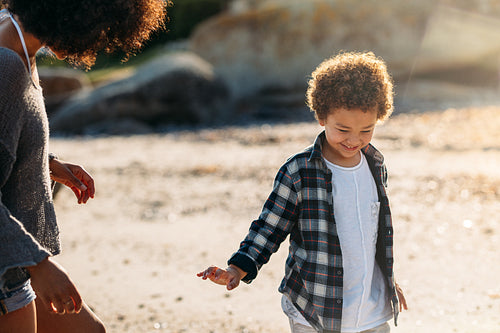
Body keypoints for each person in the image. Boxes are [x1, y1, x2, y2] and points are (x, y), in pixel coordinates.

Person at [198, 51, 408, 333]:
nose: (354, 139)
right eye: (343, 129)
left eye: (366, 130)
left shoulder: (375, 165)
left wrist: (388, 282)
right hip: (313, 307)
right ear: (322, 117)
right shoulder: (299, 171)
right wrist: (236, 269)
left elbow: (373, 236)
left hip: (371, 309)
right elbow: (269, 228)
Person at [0, 0, 167, 332]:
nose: (94, 44)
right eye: (100, 32)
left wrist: (45, 163)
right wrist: (41, 264)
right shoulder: (6, 65)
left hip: (17, 263)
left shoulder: (16, 41)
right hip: (10, 268)